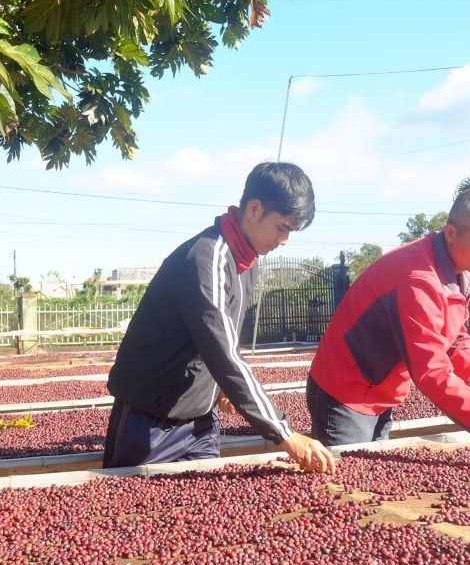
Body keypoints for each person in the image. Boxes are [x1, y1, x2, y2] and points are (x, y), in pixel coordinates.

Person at [104, 161, 335, 474]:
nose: (284, 242)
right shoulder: (205, 259)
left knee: (201, 515)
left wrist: (222, 389)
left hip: (200, 425)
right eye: (283, 227)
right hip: (150, 424)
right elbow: (222, 352)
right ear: (254, 209)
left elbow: (224, 339)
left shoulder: (247, 261)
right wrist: (284, 433)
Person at [306, 188, 470, 459]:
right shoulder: (418, 280)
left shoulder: (463, 269)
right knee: (347, 479)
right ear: (451, 233)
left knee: (371, 470)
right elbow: (432, 373)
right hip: (346, 391)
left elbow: (455, 336)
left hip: (382, 388)